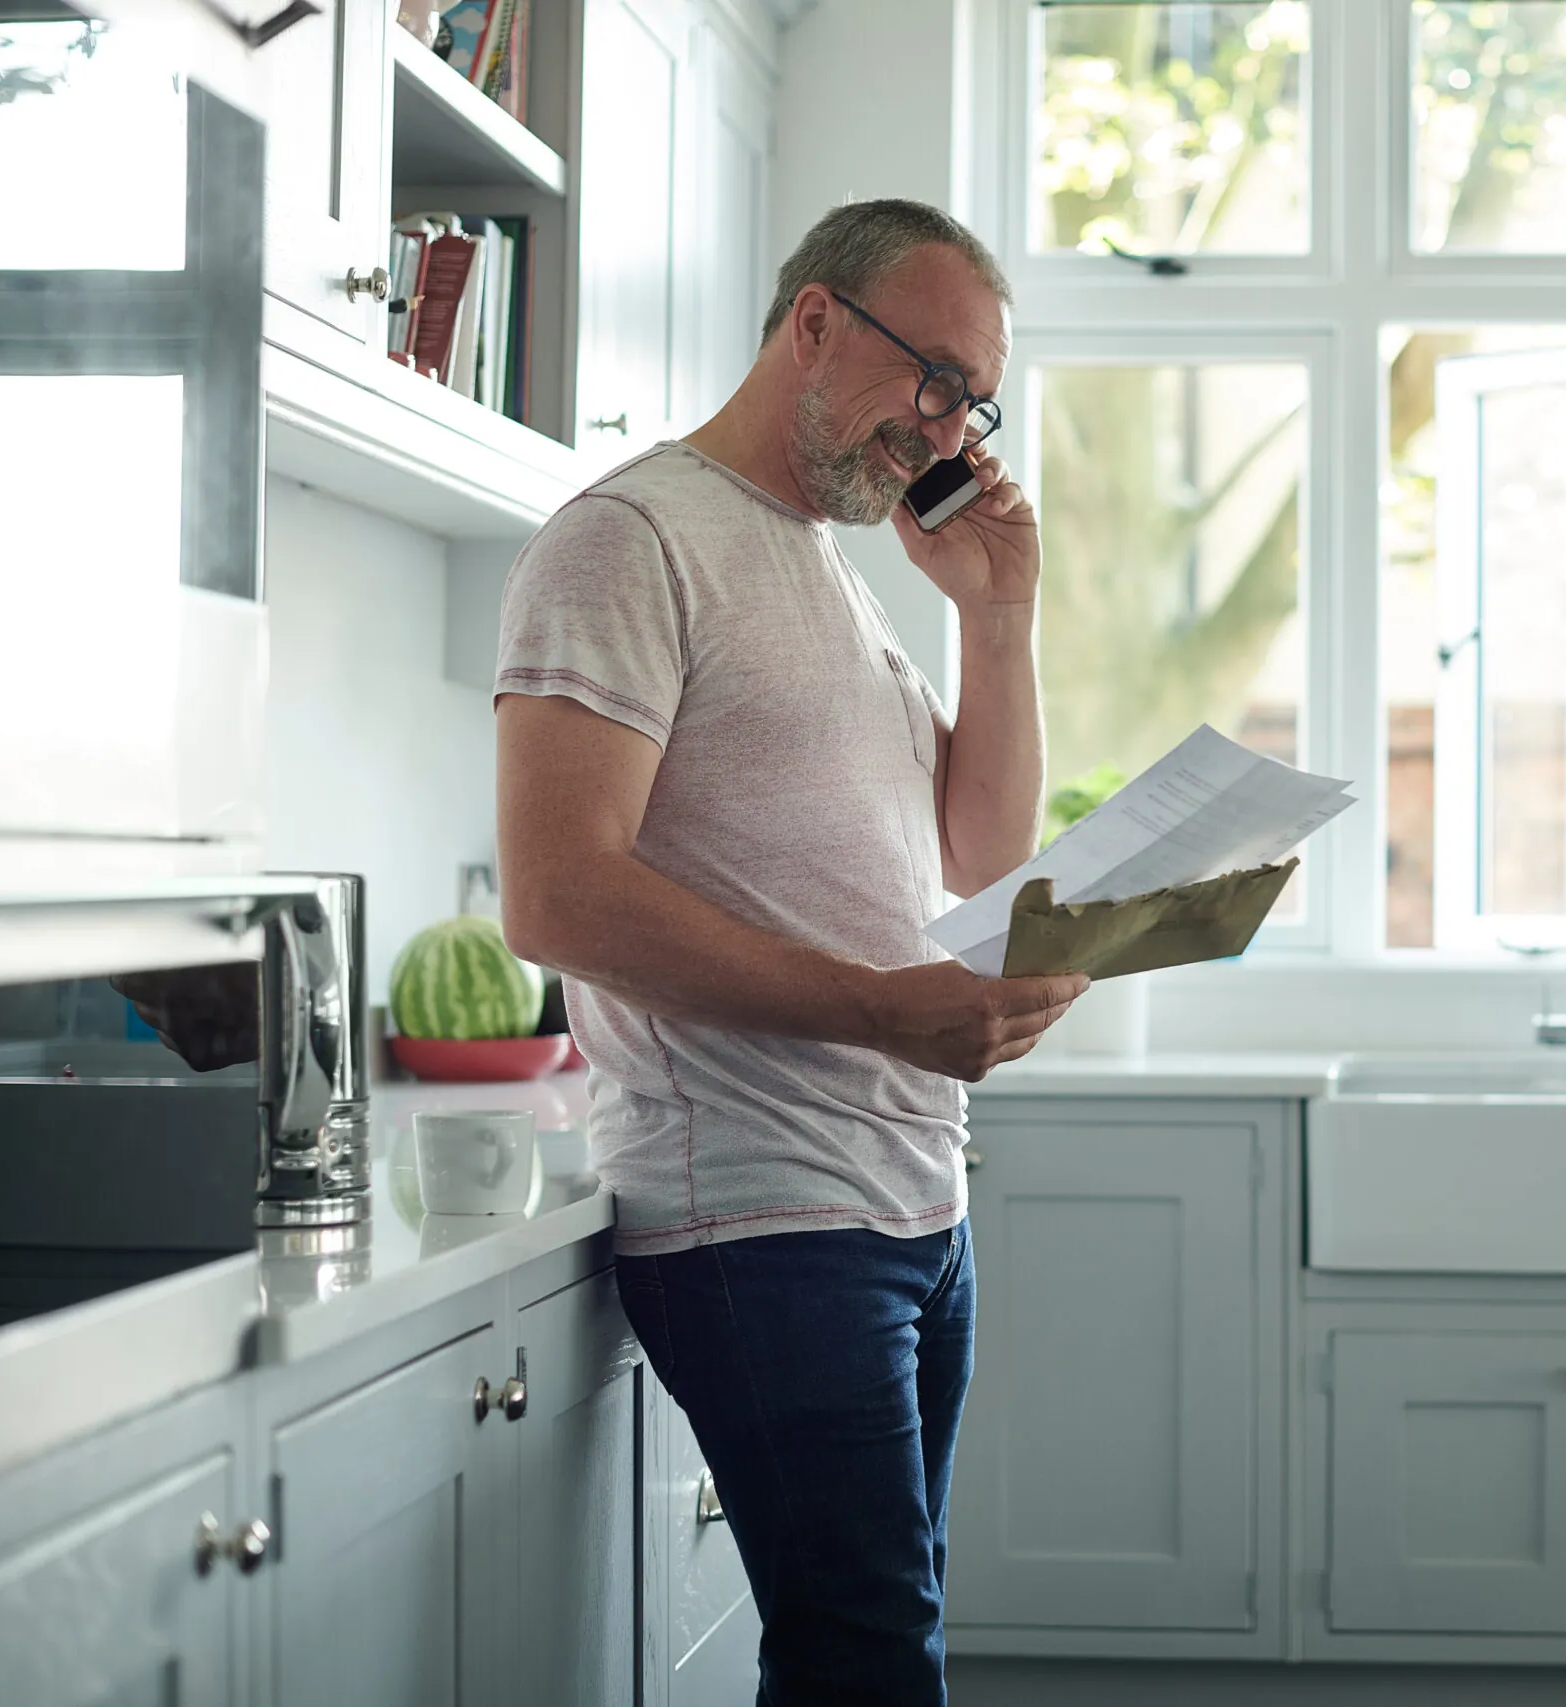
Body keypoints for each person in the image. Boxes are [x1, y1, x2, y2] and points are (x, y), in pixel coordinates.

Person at [491, 198, 1085, 1705]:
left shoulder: (835, 571)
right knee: (870, 1657)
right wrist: (888, 1013)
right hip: (762, 1215)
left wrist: (1002, 620)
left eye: (975, 400)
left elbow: (978, 851)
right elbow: (558, 894)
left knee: (876, 1645)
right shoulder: (627, 539)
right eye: (930, 377)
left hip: (914, 1206)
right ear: (813, 322)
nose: (948, 430)